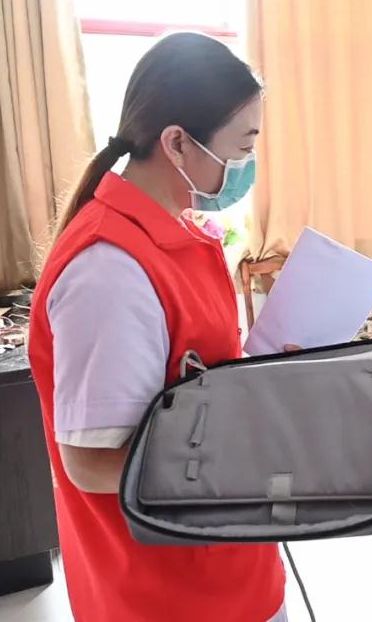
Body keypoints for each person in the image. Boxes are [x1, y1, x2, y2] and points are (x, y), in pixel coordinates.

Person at [28, 33, 286, 621]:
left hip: (228, 562)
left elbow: (193, 380)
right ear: (177, 143)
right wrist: (245, 456)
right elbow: (91, 461)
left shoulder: (182, 235)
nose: (248, 165)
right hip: (168, 593)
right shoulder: (109, 271)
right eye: (243, 146)